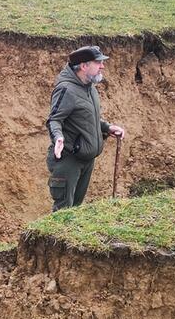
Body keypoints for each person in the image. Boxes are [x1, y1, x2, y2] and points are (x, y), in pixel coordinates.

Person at [45, 45, 125, 211]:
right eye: (98, 63)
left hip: (87, 160)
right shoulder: (66, 89)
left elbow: (87, 118)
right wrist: (58, 138)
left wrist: (107, 127)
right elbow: (54, 120)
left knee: (75, 210)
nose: (102, 66)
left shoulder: (90, 89)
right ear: (83, 66)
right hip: (69, 160)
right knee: (63, 211)